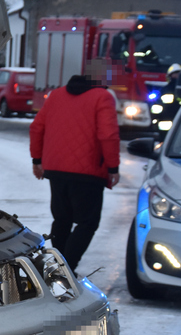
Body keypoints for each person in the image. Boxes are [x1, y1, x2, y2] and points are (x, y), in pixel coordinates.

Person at [29, 72, 120, 273]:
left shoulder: (56, 95)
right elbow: (108, 135)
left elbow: (37, 128)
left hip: (56, 170)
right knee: (87, 222)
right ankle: (67, 269)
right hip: (89, 172)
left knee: (62, 219)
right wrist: (113, 167)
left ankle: (57, 267)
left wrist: (37, 160)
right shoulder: (102, 97)